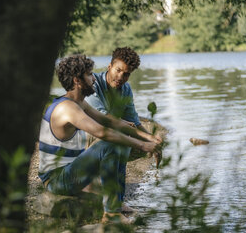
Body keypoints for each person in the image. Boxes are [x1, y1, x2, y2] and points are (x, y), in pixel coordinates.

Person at [38, 54, 162, 224]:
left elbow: (110, 121)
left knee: (121, 141)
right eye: (89, 75)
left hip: (71, 171)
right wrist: (142, 146)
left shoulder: (79, 103)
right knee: (110, 143)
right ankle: (110, 214)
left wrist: (148, 138)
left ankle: (116, 204)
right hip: (56, 180)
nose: (93, 79)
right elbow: (103, 132)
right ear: (77, 80)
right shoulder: (67, 108)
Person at [85, 47, 150, 134]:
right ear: (109, 67)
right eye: (118, 70)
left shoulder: (126, 89)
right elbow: (101, 116)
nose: (120, 78)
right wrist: (123, 123)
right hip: (89, 132)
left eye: (126, 74)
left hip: (111, 131)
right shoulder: (92, 82)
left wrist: (151, 137)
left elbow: (133, 120)